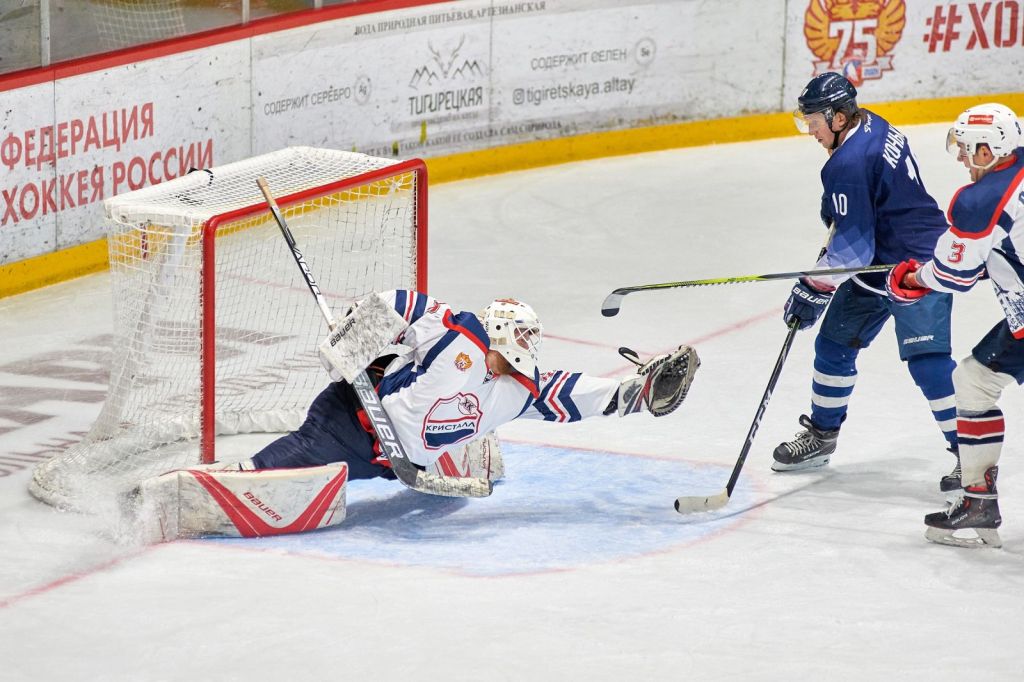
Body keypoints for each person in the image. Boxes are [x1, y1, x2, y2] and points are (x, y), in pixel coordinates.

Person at [243, 290, 699, 481]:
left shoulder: (520, 387)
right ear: (498, 331)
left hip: (393, 464)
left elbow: (573, 394)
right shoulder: (459, 334)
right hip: (347, 425)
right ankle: (240, 476)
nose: (527, 346)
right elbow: (403, 303)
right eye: (520, 335)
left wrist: (637, 391)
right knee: (273, 472)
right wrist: (354, 334)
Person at [773, 72, 959, 486]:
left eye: (814, 121)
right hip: (878, 265)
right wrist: (838, 209)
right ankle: (822, 435)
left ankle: (972, 457)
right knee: (834, 345)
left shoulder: (848, 163)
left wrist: (813, 287)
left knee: (928, 365)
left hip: (917, 268)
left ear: (838, 118)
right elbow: (863, 215)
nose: (810, 130)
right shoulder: (871, 122)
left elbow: (852, 251)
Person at [887, 103, 1024, 548]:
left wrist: (913, 278)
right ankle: (977, 499)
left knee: (974, 384)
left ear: (989, 150)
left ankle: (979, 502)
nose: (962, 159)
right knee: (974, 379)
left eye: (968, 150)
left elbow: (952, 275)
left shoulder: (979, 199)